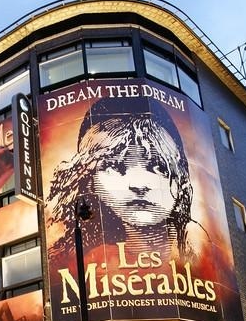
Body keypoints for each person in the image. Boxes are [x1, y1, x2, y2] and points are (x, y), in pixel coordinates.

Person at [46, 97, 205, 262]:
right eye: (115, 166)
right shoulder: (81, 261)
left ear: (181, 182)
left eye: (159, 167)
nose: (139, 185)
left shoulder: (201, 255)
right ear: (90, 179)